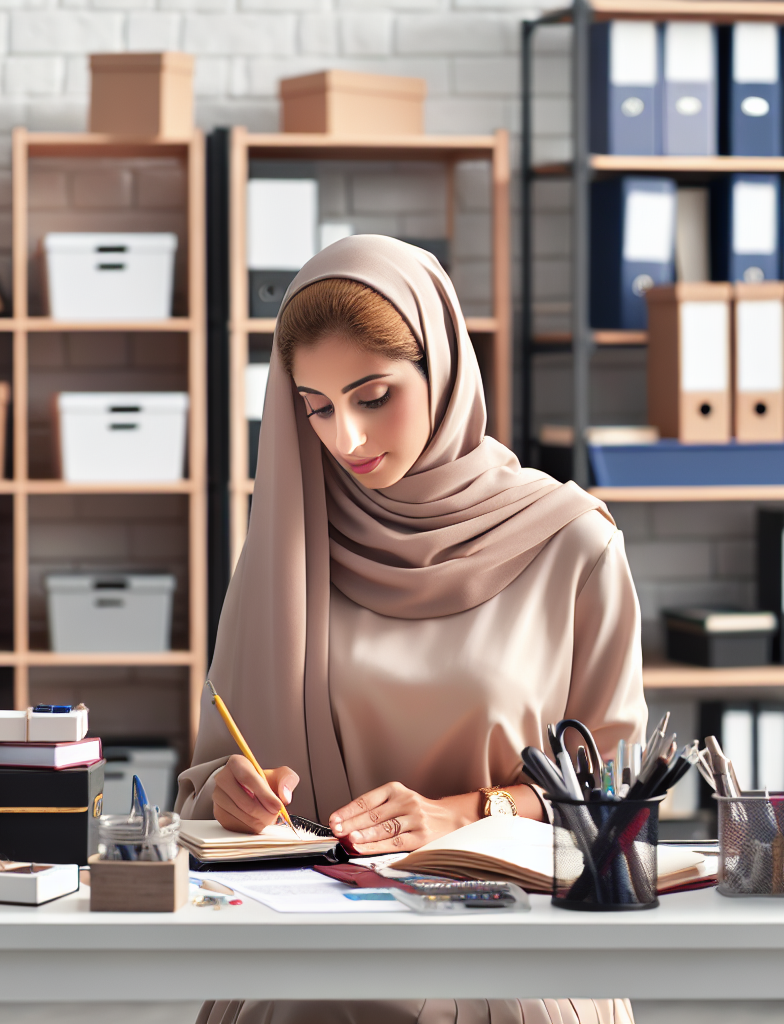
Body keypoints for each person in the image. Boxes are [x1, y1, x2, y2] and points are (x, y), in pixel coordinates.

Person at [178, 235, 647, 1024]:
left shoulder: (572, 541)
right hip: (308, 952)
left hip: (509, 942)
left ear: (443, 369)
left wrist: (467, 812)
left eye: (372, 396)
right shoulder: (286, 554)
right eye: (316, 408)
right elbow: (202, 793)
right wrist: (231, 796)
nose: (346, 440)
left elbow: (616, 794)